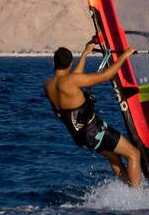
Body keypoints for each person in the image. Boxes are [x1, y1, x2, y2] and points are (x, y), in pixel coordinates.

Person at [44, 40, 143, 187]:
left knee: (115, 159)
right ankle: (139, 196)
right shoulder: (72, 80)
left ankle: (131, 188)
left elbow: (74, 78)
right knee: (134, 154)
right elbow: (107, 75)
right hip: (94, 130)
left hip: (79, 136)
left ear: (53, 63)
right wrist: (124, 55)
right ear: (70, 63)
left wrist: (85, 54)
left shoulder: (48, 85)